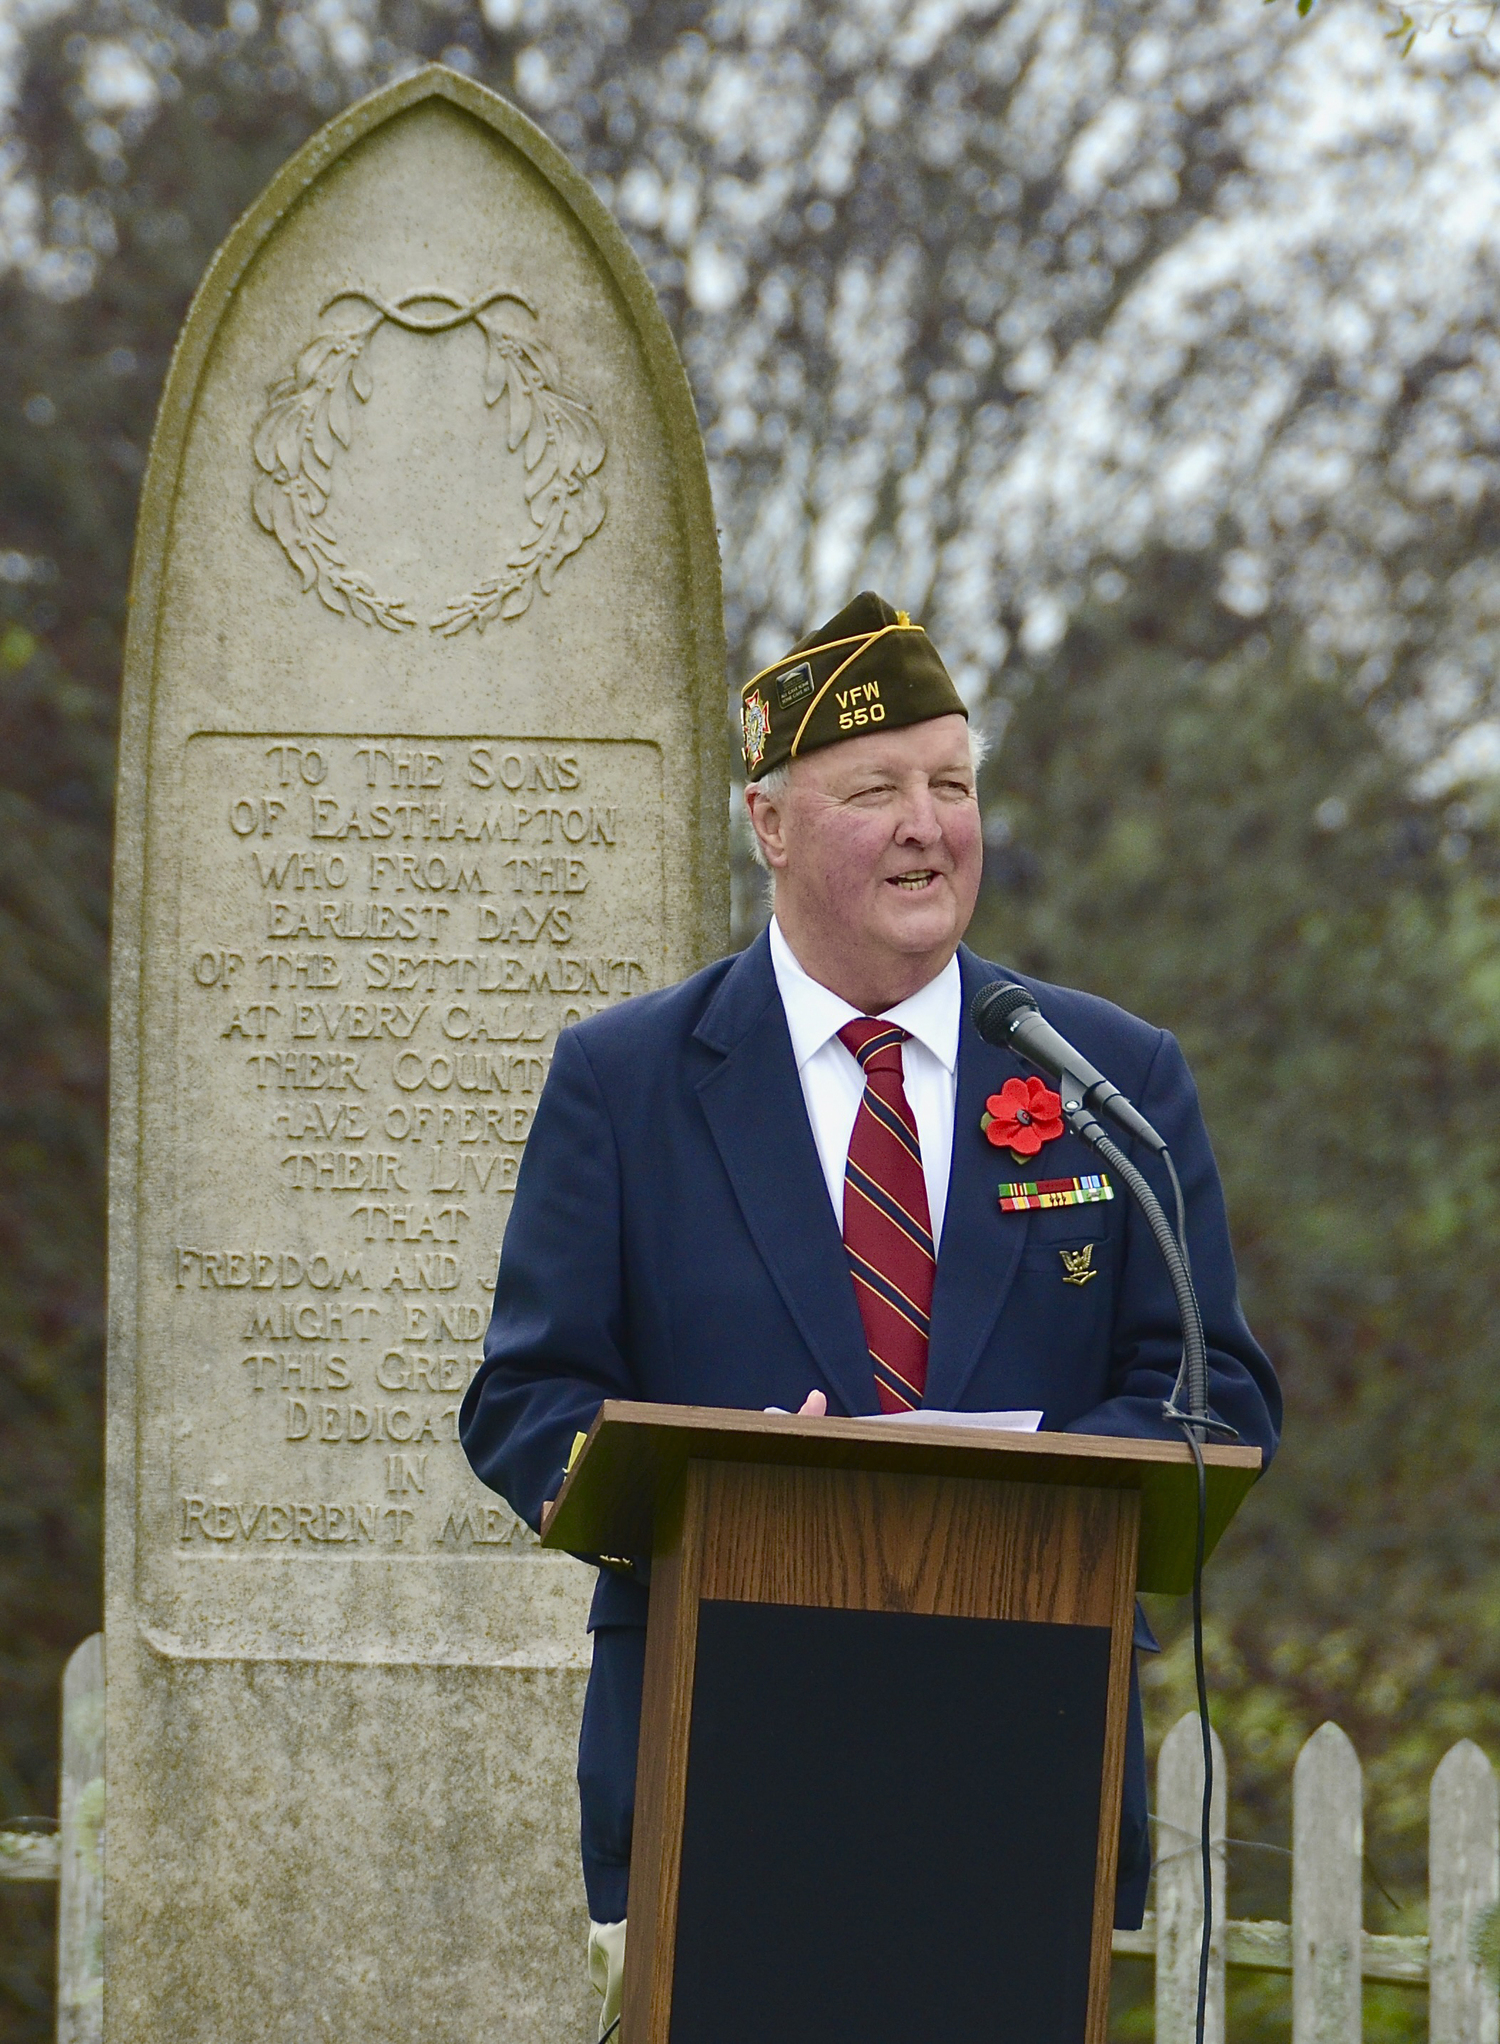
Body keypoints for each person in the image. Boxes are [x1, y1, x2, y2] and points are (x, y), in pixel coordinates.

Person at [460, 590, 1281, 2038]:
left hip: (1026, 1757)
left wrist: (1019, 1489)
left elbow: (1212, 1392)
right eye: (877, 790)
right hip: (722, 1763)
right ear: (771, 826)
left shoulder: (1109, 1080)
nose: (927, 825)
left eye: (951, 785)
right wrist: (728, 1469)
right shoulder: (629, 1080)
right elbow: (527, 1399)